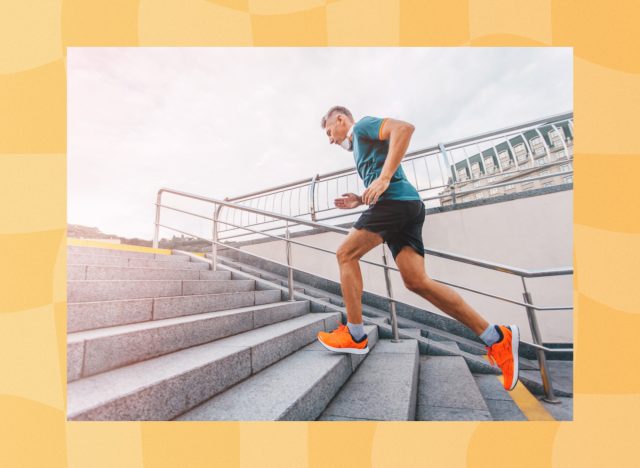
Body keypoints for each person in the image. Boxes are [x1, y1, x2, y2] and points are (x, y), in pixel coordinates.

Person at [315, 105, 520, 391]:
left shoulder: (361, 127)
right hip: (407, 206)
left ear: (340, 120)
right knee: (416, 281)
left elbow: (404, 128)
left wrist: (384, 178)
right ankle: (497, 337)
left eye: (329, 132)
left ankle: (355, 334)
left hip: (396, 203)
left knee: (345, 254)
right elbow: (381, 179)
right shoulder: (361, 148)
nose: (330, 140)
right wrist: (360, 200)